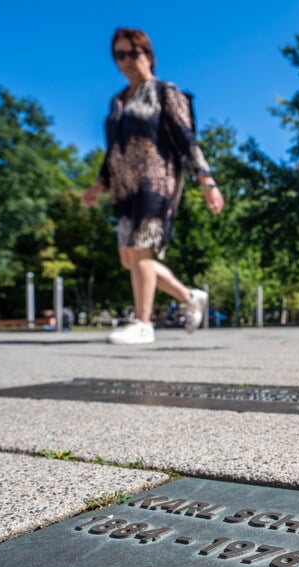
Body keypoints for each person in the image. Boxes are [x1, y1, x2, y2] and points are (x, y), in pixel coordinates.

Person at [81, 28, 224, 345]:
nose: (127, 61)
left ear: (149, 55)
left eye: (133, 53)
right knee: (131, 258)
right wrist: (98, 185)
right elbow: (113, 151)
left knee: (140, 249)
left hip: (157, 182)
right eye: (120, 55)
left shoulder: (164, 92)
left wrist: (207, 181)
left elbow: (187, 139)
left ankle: (143, 324)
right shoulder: (117, 102)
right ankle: (190, 296)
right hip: (125, 189)